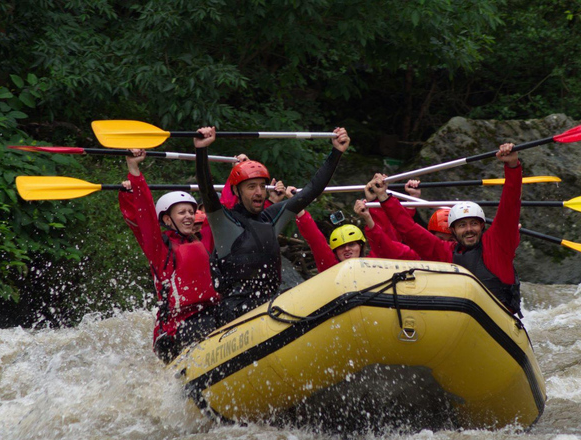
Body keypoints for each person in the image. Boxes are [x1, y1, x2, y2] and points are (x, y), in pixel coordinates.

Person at [193, 126, 350, 320]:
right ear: (236, 192)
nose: (259, 192)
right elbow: (206, 190)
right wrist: (201, 150)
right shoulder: (223, 222)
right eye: (251, 187)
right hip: (234, 314)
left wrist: (336, 152)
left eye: (261, 186)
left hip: (270, 308)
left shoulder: (271, 219)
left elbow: (311, 191)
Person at [372, 142, 523, 316]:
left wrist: (512, 166)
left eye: (473, 224)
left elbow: (510, 203)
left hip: (500, 319)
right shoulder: (445, 252)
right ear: (453, 231)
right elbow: (409, 229)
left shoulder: (497, 243)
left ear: (482, 226)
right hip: (462, 321)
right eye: (461, 225)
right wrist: (384, 197)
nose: (468, 230)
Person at [119, 150, 225, 363]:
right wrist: (134, 173)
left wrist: (239, 176)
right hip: (176, 327)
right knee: (205, 326)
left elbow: (224, 211)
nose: (188, 216)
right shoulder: (160, 248)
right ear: (167, 219)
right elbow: (145, 216)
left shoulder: (202, 240)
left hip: (209, 313)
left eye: (190, 212)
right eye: (182, 212)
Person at [291, 196, 419, 272]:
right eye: (341, 247)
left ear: (361, 246)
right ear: (335, 252)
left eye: (351, 245)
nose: (347, 249)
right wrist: (299, 210)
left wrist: (372, 201)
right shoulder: (331, 267)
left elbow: (386, 236)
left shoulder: (376, 259)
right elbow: (316, 242)